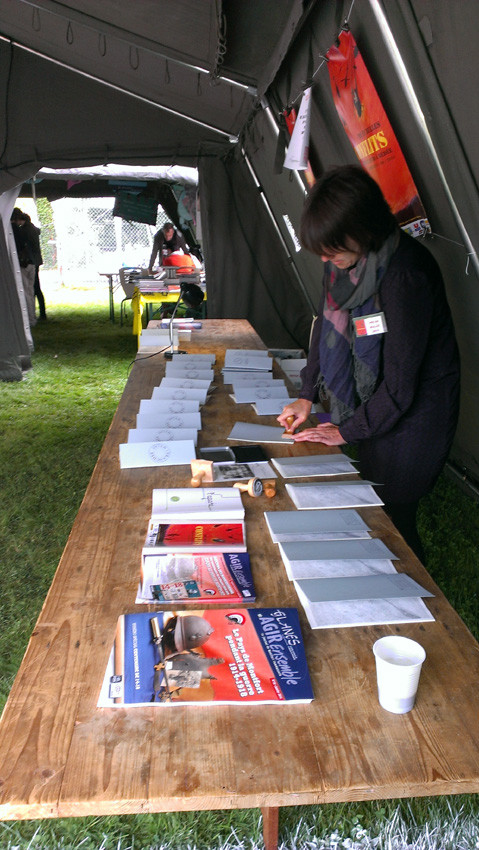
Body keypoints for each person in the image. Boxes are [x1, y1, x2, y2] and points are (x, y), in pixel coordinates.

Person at [277, 165, 460, 559]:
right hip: (375, 401)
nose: (326, 258)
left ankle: (411, 597)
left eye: (333, 249)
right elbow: (325, 324)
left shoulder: (405, 274)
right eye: (322, 251)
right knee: (373, 498)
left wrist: (346, 431)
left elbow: (400, 385)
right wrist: (307, 394)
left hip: (416, 411)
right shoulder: (346, 262)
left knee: (393, 512)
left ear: (363, 227)